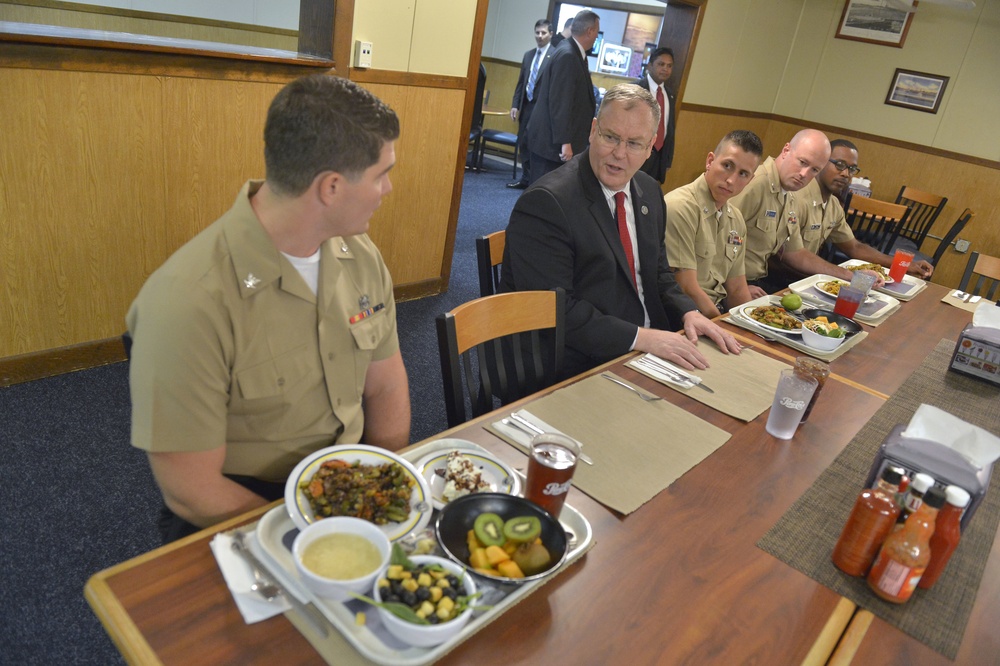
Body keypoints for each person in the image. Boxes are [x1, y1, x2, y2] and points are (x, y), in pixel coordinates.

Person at [126, 75, 411, 543]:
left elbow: (385, 385)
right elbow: (191, 491)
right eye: (381, 174)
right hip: (249, 508)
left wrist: (386, 491)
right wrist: (308, 538)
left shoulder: (359, 255)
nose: (388, 188)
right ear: (331, 188)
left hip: (350, 482)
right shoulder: (188, 301)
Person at [501, 83, 742, 379]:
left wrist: (687, 312)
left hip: (648, 346)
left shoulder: (650, 191)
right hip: (577, 362)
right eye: (610, 137)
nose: (619, 154)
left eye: (634, 143)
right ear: (593, 130)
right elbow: (556, 311)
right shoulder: (546, 203)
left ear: (651, 145)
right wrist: (643, 338)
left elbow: (658, 272)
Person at [728, 129, 880, 297]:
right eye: (802, 162)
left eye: (814, 170)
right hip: (731, 285)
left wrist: (852, 276)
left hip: (753, 284)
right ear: (786, 151)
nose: (804, 174)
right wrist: (737, 287)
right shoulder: (755, 183)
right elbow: (713, 240)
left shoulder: (788, 193)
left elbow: (796, 253)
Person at [799, 139, 934, 278]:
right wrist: (847, 275)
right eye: (839, 165)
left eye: (852, 169)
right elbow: (788, 256)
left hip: (806, 278)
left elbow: (854, 247)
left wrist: (903, 265)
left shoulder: (833, 205)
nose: (846, 174)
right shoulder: (798, 197)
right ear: (820, 162)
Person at [665, 130, 763, 318]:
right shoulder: (680, 207)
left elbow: (736, 289)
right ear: (710, 161)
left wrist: (751, 328)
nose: (731, 180)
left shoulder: (736, 218)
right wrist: (721, 327)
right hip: (681, 315)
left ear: (750, 180)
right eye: (727, 165)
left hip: (715, 314)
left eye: (743, 174)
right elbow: (686, 288)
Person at [525, 10, 601, 185]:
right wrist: (565, 141)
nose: (597, 35)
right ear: (589, 31)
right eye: (597, 31)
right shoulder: (568, 55)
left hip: (555, 142)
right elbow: (560, 102)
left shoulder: (573, 51)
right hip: (552, 145)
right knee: (542, 193)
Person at [507, 19, 554, 189]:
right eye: (537, 32)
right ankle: (525, 178)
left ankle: (535, 183)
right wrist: (515, 105)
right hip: (526, 106)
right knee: (524, 143)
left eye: (543, 33)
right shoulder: (528, 55)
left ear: (551, 34)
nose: (540, 36)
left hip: (541, 110)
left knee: (535, 144)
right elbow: (521, 83)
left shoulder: (554, 56)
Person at [635, 47, 676, 184]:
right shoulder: (637, 89)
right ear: (650, 65)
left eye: (669, 66)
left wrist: (668, 158)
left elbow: (670, 127)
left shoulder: (669, 94)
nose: (665, 69)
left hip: (659, 156)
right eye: (661, 64)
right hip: (638, 151)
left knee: (649, 192)